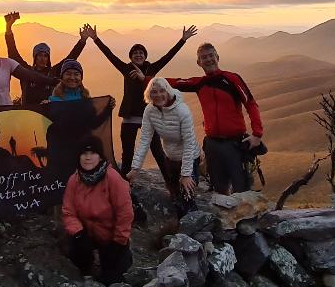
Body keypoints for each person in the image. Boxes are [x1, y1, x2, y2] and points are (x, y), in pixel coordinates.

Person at [85, 25, 197, 175]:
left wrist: (182, 40)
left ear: (145, 56)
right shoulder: (126, 69)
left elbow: (168, 57)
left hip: (149, 117)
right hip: (130, 117)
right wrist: (96, 39)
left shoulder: (151, 69)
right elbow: (109, 55)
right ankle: (125, 187)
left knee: (158, 152)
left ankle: (172, 186)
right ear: (130, 57)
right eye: (135, 53)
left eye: (141, 53)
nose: (138, 55)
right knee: (128, 154)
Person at [168, 43, 264, 195]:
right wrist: (144, 79)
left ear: (217, 57)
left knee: (242, 190)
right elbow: (172, 82)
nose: (208, 59)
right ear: (199, 62)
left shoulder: (232, 79)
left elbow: (251, 104)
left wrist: (257, 134)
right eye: (204, 57)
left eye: (211, 56)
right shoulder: (199, 83)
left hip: (235, 144)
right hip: (212, 145)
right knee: (219, 189)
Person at [61, 137, 133, 285]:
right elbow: (68, 211)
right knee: (75, 259)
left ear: (100, 156)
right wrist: (78, 234)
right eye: (84, 153)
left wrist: (118, 242)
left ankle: (122, 256)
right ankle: (86, 263)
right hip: (86, 235)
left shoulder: (113, 179)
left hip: (111, 237)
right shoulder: (74, 180)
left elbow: (125, 214)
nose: (88, 157)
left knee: (113, 278)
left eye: (93, 153)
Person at [126, 78, 201, 214]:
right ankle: (179, 223)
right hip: (171, 157)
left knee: (187, 194)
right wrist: (135, 168)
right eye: (154, 92)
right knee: (174, 193)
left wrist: (186, 174)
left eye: (162, 91)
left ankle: (193, 227)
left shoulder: (182, 111)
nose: (158, 95)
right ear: (149, 94)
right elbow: (144, 139)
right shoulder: (149, 110)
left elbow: (189, 142)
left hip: (190, 156)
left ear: (168, 91)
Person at [3, 11, 88, 105]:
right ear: (35, 57)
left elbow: (71, 57)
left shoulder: (53, 72)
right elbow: (13, 54)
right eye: (39, 55)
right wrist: (8, 28)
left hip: (49, 114)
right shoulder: (26, 71)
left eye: (45, 55)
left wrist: (82, 41)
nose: (42, 58)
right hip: (28, 114)